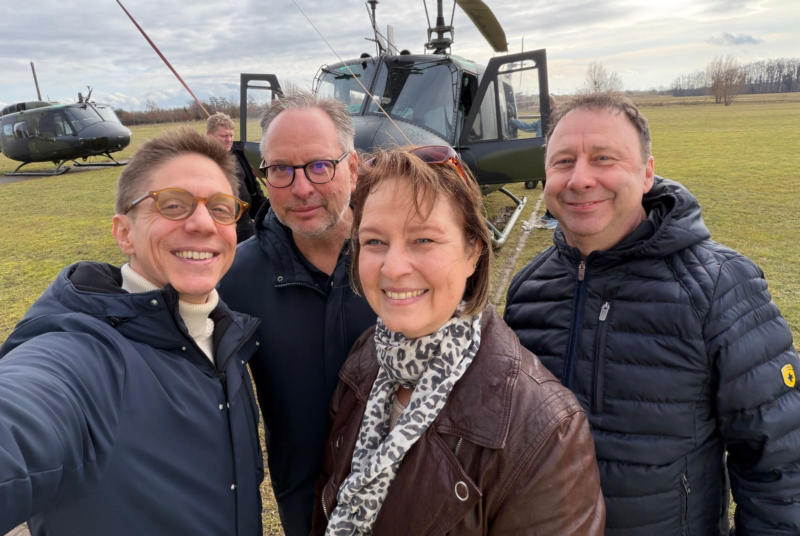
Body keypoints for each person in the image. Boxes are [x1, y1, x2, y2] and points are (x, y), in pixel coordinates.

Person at [504, 92, 800, 535]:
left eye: (603, 158)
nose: (580, 179)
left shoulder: (720, 287)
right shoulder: (527, 291)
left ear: (646, 173)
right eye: (563, 162)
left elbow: (781, 465)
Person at [311, 146, 605, 535]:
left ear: (473, 251)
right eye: (375, 242)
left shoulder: (545, 433)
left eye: (423, 240)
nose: (393, 268)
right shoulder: (366, 359)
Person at [0, 129, 263, 535]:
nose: (202, 223)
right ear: (124, 232)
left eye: (220, 208)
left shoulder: (223, 334)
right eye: (172, 205)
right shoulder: (83, 353)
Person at [218, 91, 377, 536]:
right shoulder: (233, 278)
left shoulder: (399, 262)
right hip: (305, 509)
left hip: (413, 497)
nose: (301, 188)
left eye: (319, 166)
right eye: (281, 170)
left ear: (352, 167)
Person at [206, 111, 268, 242]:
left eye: (231, 135)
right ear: (209, 135)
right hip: (220, 231)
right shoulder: (200, 163)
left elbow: (255, 192)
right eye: (223, 136)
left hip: (246, 226)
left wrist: (270, 214)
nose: (229, 140)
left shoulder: (238, 156)